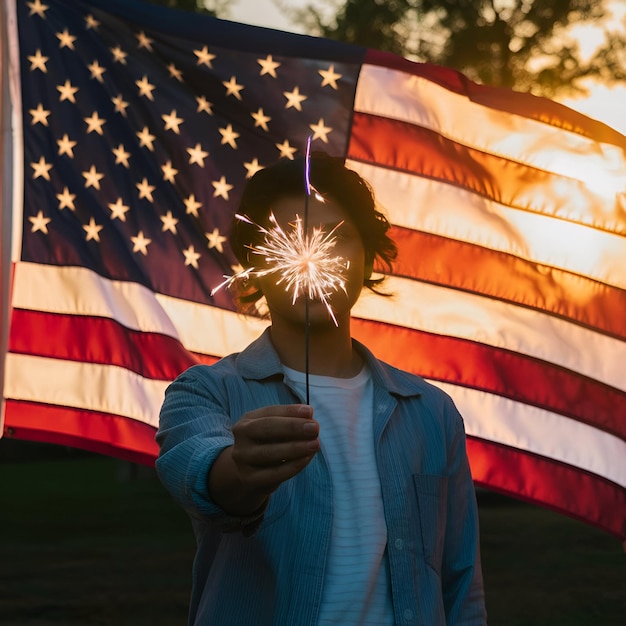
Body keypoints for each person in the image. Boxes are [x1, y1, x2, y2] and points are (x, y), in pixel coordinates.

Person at [155, 152, 487, 625]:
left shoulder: (431, 411)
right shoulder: (206, 392)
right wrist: (242, 471)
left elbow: (461, 583)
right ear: (255, 261)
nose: (311, 255)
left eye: (337, 239)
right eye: (285, 238)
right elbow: (199, 474)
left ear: (368, 257)